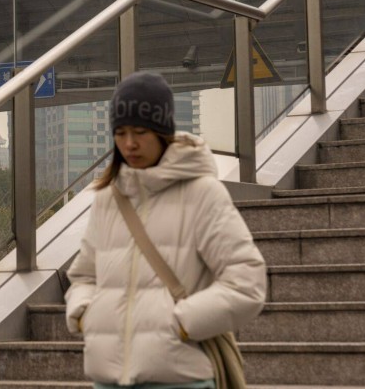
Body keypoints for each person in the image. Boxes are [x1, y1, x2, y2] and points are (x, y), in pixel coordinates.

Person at [65, 72, 266, 389]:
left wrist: (183, 322)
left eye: (141, 132)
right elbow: (84, 276)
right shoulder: (108, 197)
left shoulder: (201, 193)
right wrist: (84, 313)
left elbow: (248, 282)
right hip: (107, 379)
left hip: (179, 378)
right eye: (120, 132)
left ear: (163, 132)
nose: (129, 143)